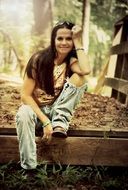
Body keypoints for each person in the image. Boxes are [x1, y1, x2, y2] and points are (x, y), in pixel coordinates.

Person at [16, 21, 91, 170]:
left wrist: (77, 39)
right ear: (53, 40)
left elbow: (86, 70)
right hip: (37, 111)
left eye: (68, 39)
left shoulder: (71, 61)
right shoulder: (39, 59)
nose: (64, 43)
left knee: (81, 78)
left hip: (57, 110)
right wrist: (45, 121)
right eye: (60, 38)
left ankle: (60, 122)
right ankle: (29, 167)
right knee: (23, 114)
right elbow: (25, 96)